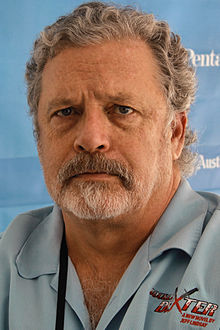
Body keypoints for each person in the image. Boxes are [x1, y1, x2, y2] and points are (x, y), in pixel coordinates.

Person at [1, 2, 220, 329]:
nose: (90, 139)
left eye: (122, 109)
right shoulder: (10, 254)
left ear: (175, 133)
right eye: (65, 112)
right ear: (39, 137)